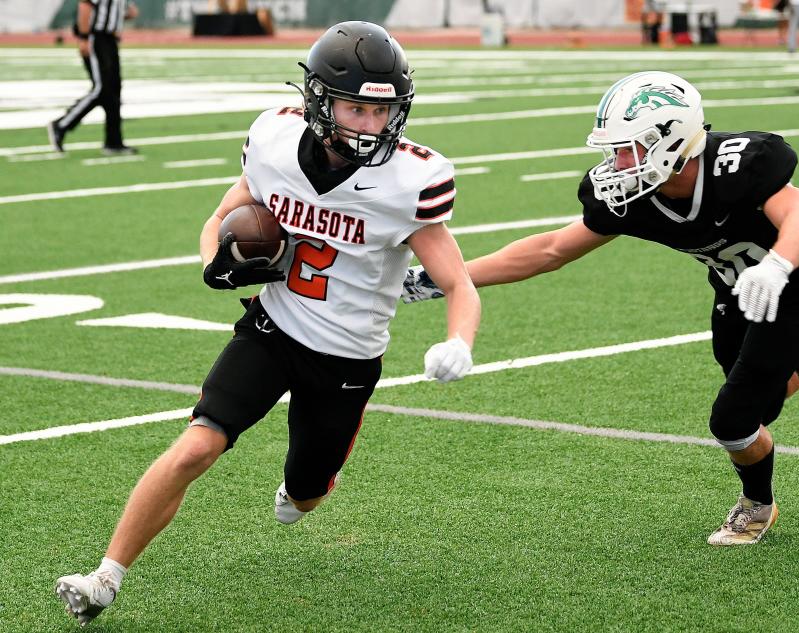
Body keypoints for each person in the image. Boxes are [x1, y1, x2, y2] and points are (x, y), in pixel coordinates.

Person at [55, 21, 481, 626]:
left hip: (347, 356)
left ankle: (300, 491)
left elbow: (458, 280)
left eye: (382, 112)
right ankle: (103, 578)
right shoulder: (276, 140)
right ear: (320, 103)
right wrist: (215, 265)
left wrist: (458, 340)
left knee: (305, 493)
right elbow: (221, 217)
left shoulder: (411, 180)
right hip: (273, 328)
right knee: (195, 445)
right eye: (357, 108)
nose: (371, 125)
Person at [402, 71, 799, 546]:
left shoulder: (739, 163)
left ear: (672, 141)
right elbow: (551, 250)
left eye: (628, 149)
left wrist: (777, 267)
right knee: (765, 403)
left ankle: (757, 506)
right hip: (733, 288)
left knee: (734, 419)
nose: (616, 165)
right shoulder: (634, 195)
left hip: (794, 281)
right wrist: (446, 278)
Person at [47, 0, 139, 155]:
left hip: (110, 39)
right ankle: (62, 125)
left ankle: (114, 142)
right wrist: (84, 38)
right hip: (96, 38)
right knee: (101, 88)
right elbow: (85, 5)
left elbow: (124, 12)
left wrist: (123, 14)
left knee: (113, 90)